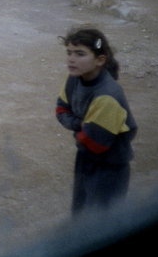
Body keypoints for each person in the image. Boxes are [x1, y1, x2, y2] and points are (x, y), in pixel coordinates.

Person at [56, 28, 137, 213]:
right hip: (85, 159)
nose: (71, 59)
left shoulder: (107, 95)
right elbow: (61, 109)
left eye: (80, 54)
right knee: (80, 211)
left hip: (109, 166)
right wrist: (80, 125)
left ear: (100, 60)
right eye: (69, 53)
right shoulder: (74, 79)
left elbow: (94, 143)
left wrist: (80, 129)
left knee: (102, 221)